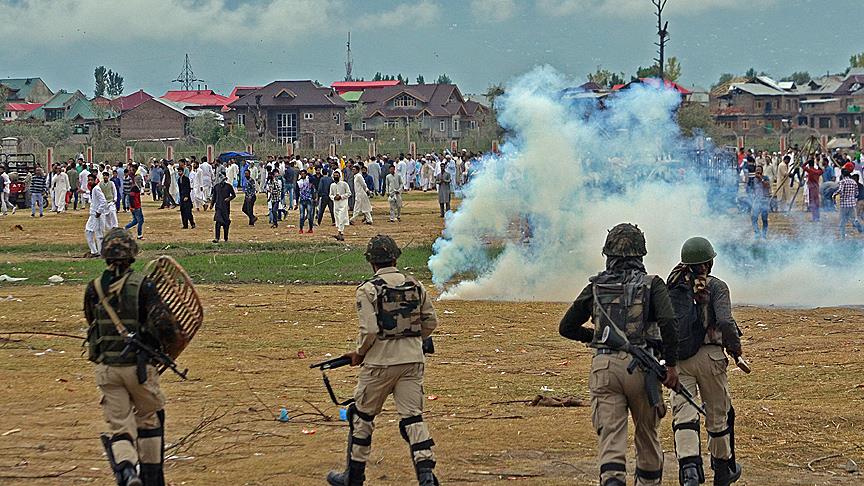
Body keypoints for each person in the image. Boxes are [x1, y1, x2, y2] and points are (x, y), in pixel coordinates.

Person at [558, 223, 679, 486]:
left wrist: (597, 337)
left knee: (611, 438)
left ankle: (613, 481)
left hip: (605, 367)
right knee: (647, 437)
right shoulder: (652, 284)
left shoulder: (596, 285)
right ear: (641, 254)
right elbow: (669, 323)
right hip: (643, 369)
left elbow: (566, 327)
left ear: (608, 253)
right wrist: (671, 365)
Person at [327, 235, 439, 486]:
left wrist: (358, 354)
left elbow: (369, 331)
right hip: (412, 361)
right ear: (395, 258)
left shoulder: (368, 289)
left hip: (379, 364)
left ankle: (354, 477)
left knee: (362, 416)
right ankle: (426, 477)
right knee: (413, 418)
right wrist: (411, 340)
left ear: (371, 262)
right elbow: (430, 322)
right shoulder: (415, 285)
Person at [84, 229, 177, 486]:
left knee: (119, 425)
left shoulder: (93, 289)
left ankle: (126, 471)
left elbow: (93, 324)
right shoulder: (144, 286)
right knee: (149, 419)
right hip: (139, 368)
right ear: (132, 255)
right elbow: (164, 326)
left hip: (108, 370)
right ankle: (150, 477)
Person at [667, 237, 743, 486]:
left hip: (678, 359)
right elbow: (725, 322)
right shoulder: (717, 287)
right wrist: (735, 347)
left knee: (684, 415)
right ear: (709, 261)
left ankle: (689, 472)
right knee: (718, 414)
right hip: (710, 358)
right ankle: (723, 470)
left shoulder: (673, 286)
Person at [85, 174, 108, 258]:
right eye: (88, 180)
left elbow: (103, 201)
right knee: (93, 232)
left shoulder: (96, 189)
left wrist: (99, 212)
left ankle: (97, 252)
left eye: (91, 180)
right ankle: (96, 251)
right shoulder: (93, 189)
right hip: (94, 214)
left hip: (97, 215)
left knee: (94, 232)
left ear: (95, 180)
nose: (90, 181)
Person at [211, 170, 236, 243]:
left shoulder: (228, 186)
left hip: (226, 207)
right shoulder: (216, 186)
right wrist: (212, 204)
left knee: (226, 223)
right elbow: (214, 197)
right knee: (218, 222)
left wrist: (229, 198)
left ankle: (226, 238)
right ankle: (217, 238)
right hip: (218, 207)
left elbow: (234, 195)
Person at [836, 167, 861, 239]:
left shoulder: (842, 182)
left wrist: (834, 194)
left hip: (844, 204)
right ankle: (860, 228)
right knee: (854, 219)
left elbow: (840, 190)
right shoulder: (854, 182)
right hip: (852, 204)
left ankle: (843, 235)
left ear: (843, 175)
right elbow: (857, 193)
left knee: (842, 220)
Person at [747, 166, 770, 239]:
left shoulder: (765, 178)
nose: (758, 172)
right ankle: (757, 233)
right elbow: (749, 189)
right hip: (756, 200)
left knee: (764, 219)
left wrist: (761, 179)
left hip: (764, 200)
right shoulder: (752, 179)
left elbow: (767, 186)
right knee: (754, 218)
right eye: (757, 171)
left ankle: (764, 235)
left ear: (762, 171)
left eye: (759, 171)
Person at [330, 170, 351, 241]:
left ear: (340, 176)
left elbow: (349, 193)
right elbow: (330, 195)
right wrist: (334, 197)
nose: (336, 177)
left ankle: (340, 233)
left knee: (342, 218)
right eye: (334, 175)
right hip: (336, 204)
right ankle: (340, 233)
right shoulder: (332, 185)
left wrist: (341, 197)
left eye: (337, 175)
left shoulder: (344, 184)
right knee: (338, 219)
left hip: (343, 204)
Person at [178, 160, 195, 230]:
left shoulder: (186, 179)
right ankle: (185, 225)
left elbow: (188, 188)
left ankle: (192, 223)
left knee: (188, 212)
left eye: (180, 171)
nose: (179, 173)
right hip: (182, 197)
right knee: (182, 212)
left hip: (186, 198)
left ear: (183, 172)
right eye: (178, 171)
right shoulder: (179, 179)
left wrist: (186, 196)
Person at [297, 169, 316, 234]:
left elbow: (313, 178)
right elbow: (297, 192)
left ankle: (310, 228)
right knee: (302, 215)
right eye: (301, 174)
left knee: (310, 216)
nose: (303, 175)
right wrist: (296, 201)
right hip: (302, 200)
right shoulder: (299, 182)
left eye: (304, 174)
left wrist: (308, 174)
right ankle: (301, 229)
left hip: (309, 200)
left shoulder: (309, 180)